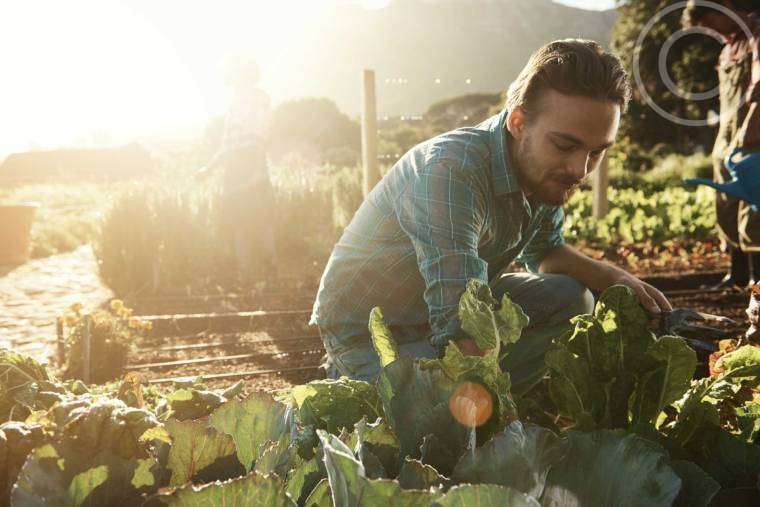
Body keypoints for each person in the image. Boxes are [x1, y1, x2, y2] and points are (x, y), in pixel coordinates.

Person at [310, 39, 672, 396]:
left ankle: (483, 401)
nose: (579, 169)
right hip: (374, 333)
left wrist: (614, 277)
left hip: (445, 313)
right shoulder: (451, 170)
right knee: (428, 426)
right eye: (565, 145)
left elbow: (546, 253)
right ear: (518, 122)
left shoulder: (544, 173)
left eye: (597, 152)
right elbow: (458, 321)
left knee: (572, 297)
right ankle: (346, 376)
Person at [683, 0, 760, 288]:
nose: (710, 30)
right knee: (725, 203)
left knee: (751, 204)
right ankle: (737, 274)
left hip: (753, 131)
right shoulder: (728, 48)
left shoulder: (756, 32)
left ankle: (757, 279)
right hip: (727, 135)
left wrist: (752, 124)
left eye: (710, 21)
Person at [196, 56, 277, 283]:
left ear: (243, 74)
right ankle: (251, 275)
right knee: (245, 221)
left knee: (253, 220)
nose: (231, 76)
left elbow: (258, 134)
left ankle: (261, 274)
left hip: (247, 161)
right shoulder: (242, 101)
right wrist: (209, 168)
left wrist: (254, 164)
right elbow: (228, 143)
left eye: (235, 72)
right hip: (240, 163)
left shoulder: (255, 99)